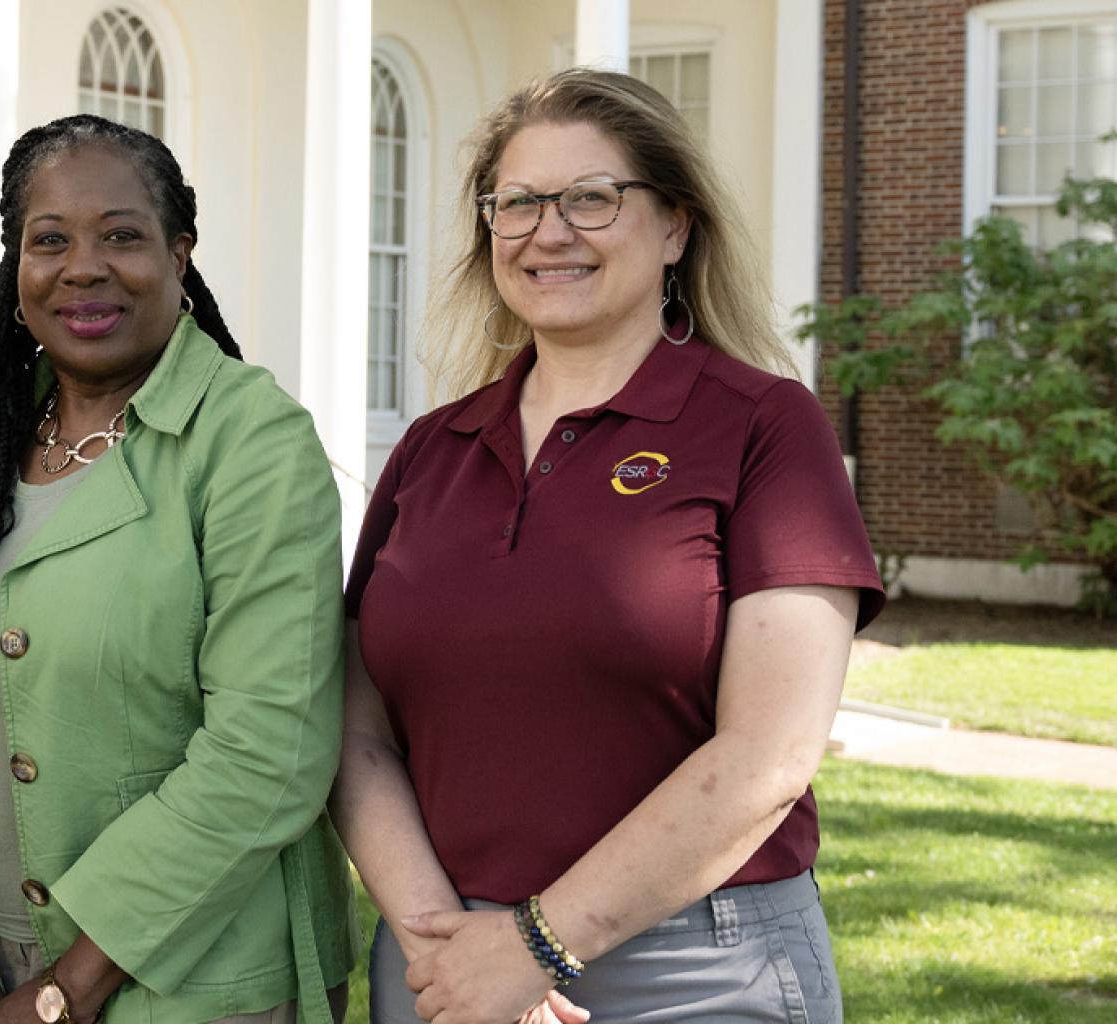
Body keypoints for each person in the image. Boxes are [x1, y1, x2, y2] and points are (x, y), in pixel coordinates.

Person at [333, 70, 884, 1024]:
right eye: (517, 204)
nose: (548, 232)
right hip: (441, 965)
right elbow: (356, 729)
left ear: (676, 226)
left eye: (591, 198)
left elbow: (770, 753)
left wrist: (534, 946)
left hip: (699, 971)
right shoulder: (431, 449)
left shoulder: (763, 427)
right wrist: (443, 949)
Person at [0, 114, 356, 1024]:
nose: (83, 268)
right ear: (17, 268)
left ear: (179, 254)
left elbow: (269, 750)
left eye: (121, 236)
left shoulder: (251, 443)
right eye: (49, 241)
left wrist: (66, 989)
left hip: (202, 985)